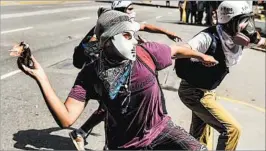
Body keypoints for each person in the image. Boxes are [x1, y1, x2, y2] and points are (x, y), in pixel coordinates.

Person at [19, 9, 217, 150]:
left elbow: (174, 51)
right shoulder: (91, 73)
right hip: (123, 145)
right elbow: (66, 118)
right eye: (126, 35)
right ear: (107, 39)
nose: (133, 41)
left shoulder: (146, 53)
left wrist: (201, 56)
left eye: (133, 35)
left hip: (161, 130)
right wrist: (41, 77)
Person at [174, 1, 266, 150]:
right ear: (229, 22)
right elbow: (179, 50)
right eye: (243, 21)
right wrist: (201, 56)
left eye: (248, 20)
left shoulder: (238, 38)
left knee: (200, 136)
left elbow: (262, 42)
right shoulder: (208, 37)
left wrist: (257, 39)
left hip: (208, 91)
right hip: (194, 92)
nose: (247, 26)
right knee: (232, 130)